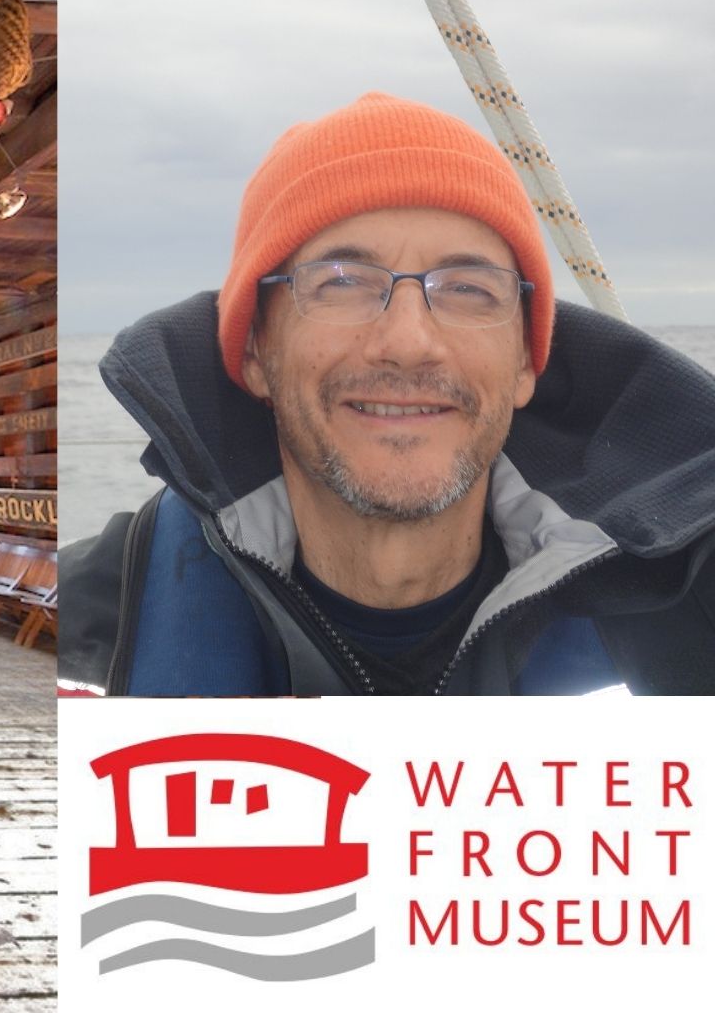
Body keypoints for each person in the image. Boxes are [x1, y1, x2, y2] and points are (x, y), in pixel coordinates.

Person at [59, 93, 715, 696]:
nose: (408, 342)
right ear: (257, 352)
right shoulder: (79, 634)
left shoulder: (691, 611)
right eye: (341, 282)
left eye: (468, 289)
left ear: (524, 364)